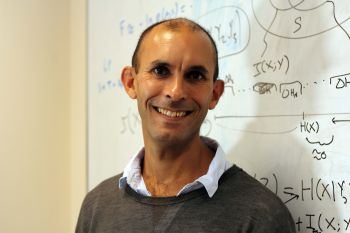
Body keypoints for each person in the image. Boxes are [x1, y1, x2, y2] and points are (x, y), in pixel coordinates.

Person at [76, 18, 296, 233]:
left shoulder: (260, 216)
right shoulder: (97, 207)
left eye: (195, 75)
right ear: (131, 82)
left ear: (215, 93)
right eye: (160, 71)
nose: (176, 92)